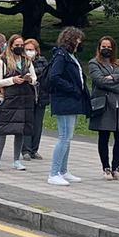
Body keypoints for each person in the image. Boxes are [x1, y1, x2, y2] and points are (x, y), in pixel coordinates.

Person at [47, 27, 89, 186]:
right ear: (71, 39)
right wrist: (72, 89)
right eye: (78, 39)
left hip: (71, 100)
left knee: (68, 138)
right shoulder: (61, 56)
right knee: (64, 137)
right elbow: (54, 77)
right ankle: (54, 173)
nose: (80, 42)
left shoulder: (69, 56)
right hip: (64, 100)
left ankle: (63, 170)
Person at [0, 35, 36, 172]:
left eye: (22, 45)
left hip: (24, 98)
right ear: (11, 46)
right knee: (3, 129)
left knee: (20, 130)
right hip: (10, 98)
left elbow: (34, 77)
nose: (20, 47)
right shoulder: (3, 60)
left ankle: (16, 160)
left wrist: (29, 79)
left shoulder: (27, 60)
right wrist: (12, 80)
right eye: (17, 45)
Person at [89, 36, 119, 181]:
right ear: (99, 47)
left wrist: (113, 77)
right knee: (104, 136)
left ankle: (116, 167)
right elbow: (99, 81)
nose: (106, 49)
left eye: (109, 47)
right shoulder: (94, 63)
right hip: (105, 105)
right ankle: (106, 167)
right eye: (103, 46)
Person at [22, 38, 48, 161]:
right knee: (27, 123)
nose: (29, 52)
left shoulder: (42, 61)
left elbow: (43, 74)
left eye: (31, 50)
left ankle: (34, 149)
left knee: (38, 124)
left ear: (37, 51)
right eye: (27, 50)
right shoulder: (22, 62)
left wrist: (33, 73)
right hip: (27, 97)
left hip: (41, 96)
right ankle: (26, 149)